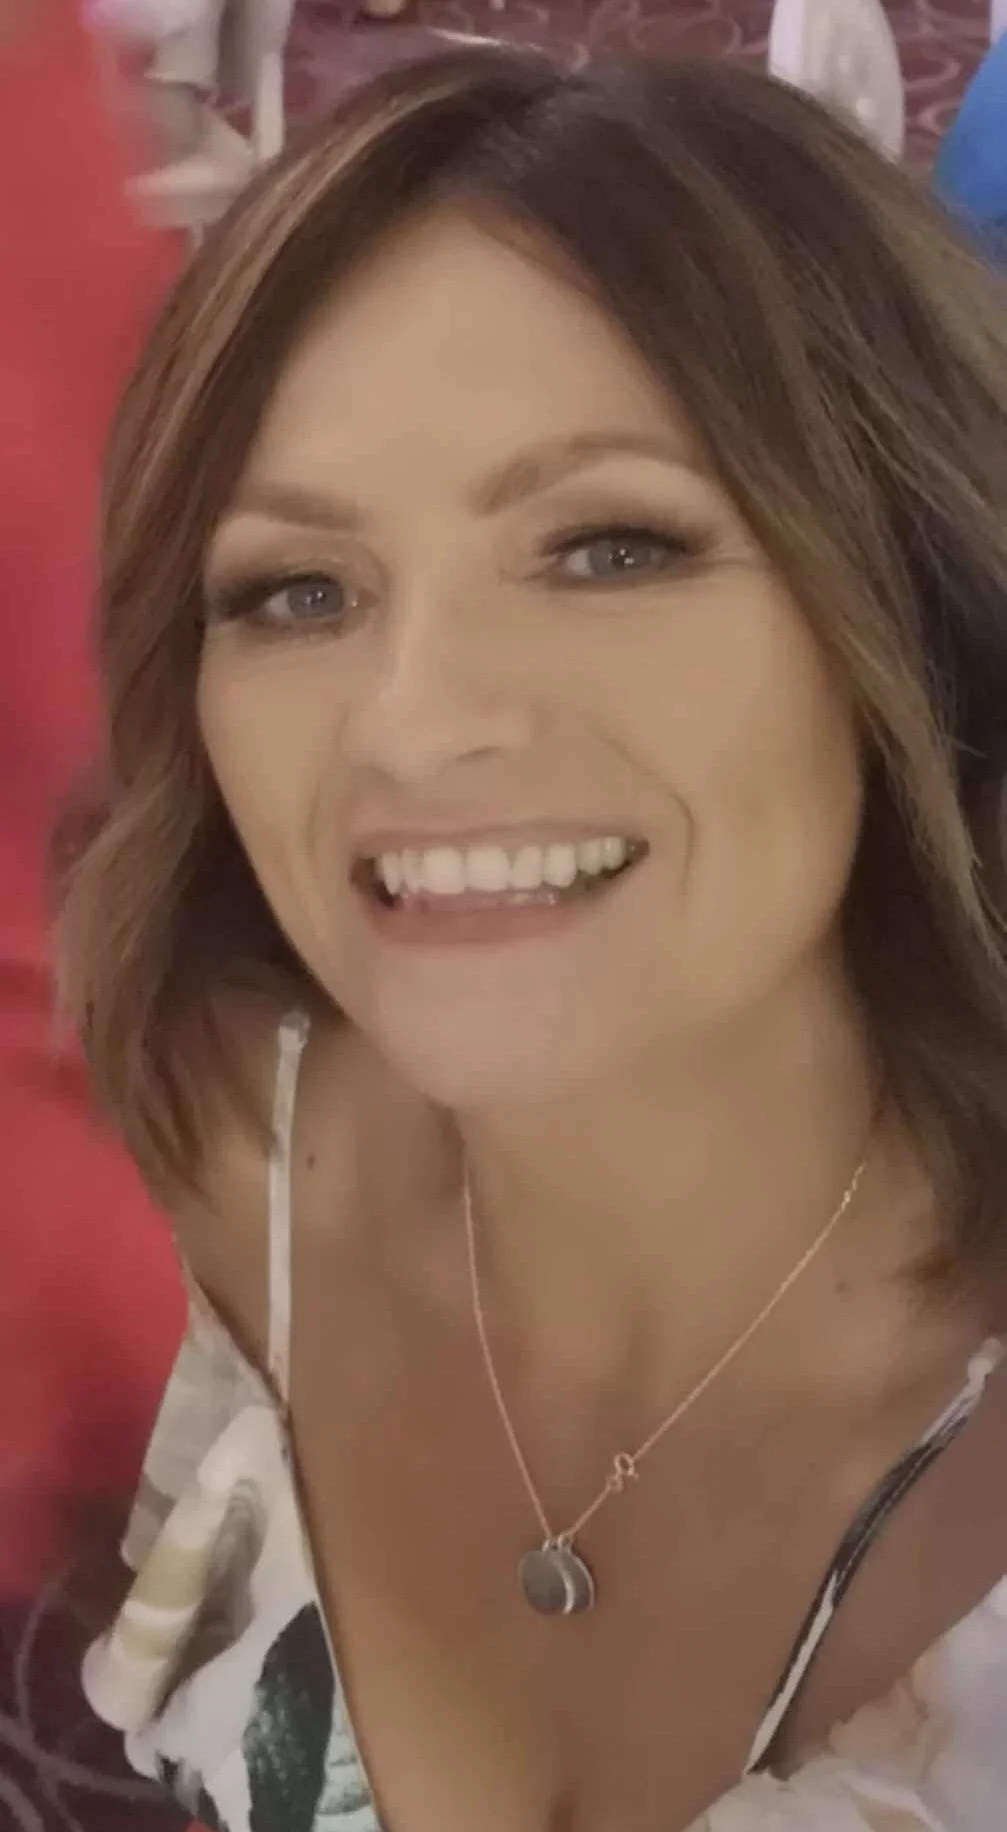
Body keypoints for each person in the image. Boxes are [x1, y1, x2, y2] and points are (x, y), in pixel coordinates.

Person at [66, 45, 1007, 1832]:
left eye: (608, 549)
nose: (410, 726)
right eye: (298, 590)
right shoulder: (185, 1157)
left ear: (912, 602)